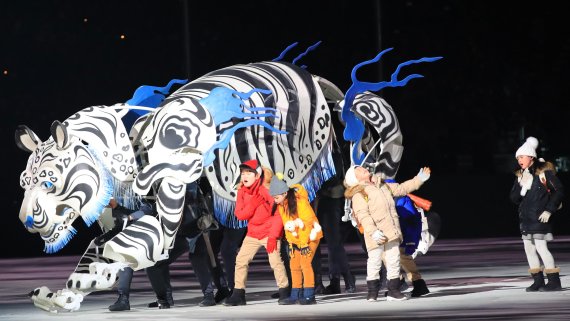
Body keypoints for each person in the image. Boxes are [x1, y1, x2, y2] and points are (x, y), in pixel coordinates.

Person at [344, 165, 431, 301]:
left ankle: (393, 290)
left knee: (394, 259)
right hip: (375, 234)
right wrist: (373, 232)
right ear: (355, 179)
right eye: (359, 171)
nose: (363, 169)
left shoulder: (382, 184)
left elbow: (402, 188)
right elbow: (363, 215)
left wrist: (419, 179)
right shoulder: (359, 194)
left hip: (391, 230)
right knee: (375, 261)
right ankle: (372, 292)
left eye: (362, 167)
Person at [224, 160, 289, 306]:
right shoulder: (242, 191)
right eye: (242, 173)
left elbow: (279, 213)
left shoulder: (266, 189)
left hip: (269, 232)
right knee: (241, 260)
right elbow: (240, 215)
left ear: (257, 175)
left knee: (275, 261)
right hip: (253, 233)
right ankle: (238, 294)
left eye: (248, 173)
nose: (244, 176)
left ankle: (284, 291)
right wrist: (253, 204)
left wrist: (273, 236)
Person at [509, 136, 564, 292]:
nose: (519, 159)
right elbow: (513, 198)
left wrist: (549, 210)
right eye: (518, 157)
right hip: (526, 219)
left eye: (522, 156)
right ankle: (538, 280)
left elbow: (558, 191)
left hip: (540, 217)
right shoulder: (520, 175)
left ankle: (554, 281)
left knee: (541, 247)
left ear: (531, 157)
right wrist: (521, 185)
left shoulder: (543, 174)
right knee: (529, 249)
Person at [270, 174, 323, 305]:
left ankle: (310, 295)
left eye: (276, 197)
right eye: (274, 198)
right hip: (296, 238)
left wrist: (304, 243)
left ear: (284, 193)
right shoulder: (281, 205)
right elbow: (287, 226)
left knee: (305, 264)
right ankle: (296, 294)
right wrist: (291, 243)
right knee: (294, 265)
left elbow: (308, 222)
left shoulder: (300, 202)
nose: (275, 200)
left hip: (310, 235)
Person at [95, 197, 153, 312]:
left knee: (129, 263)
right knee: (125, 262)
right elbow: (121, 225)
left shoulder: (134, 197)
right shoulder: (116, 209)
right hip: (134, 238)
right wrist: (105, 237)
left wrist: (131, 217)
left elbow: (147, 210)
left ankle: (164, 298)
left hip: (147, 234)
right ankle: (123, 299)